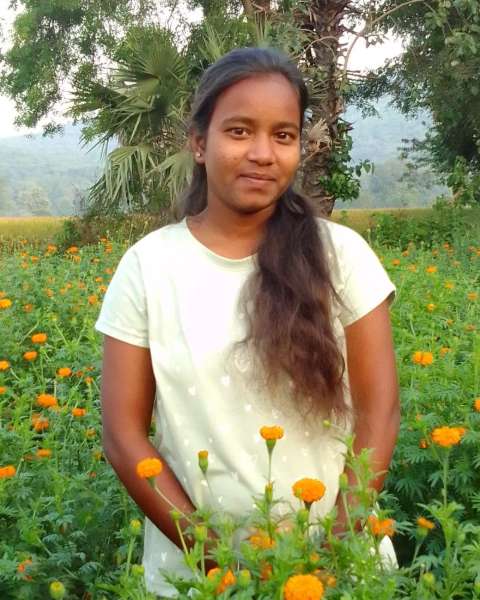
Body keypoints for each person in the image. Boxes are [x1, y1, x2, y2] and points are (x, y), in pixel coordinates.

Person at [95, 46, 400, 598]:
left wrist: (328, 560)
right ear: (199, 143)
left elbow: (379, 414)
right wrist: (218, 564)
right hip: (199, 577)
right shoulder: (149, 266)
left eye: (283, 135)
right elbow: (122, 435)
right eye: (239, 131)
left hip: (342, 573)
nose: (262, 153)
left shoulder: (343, 257)